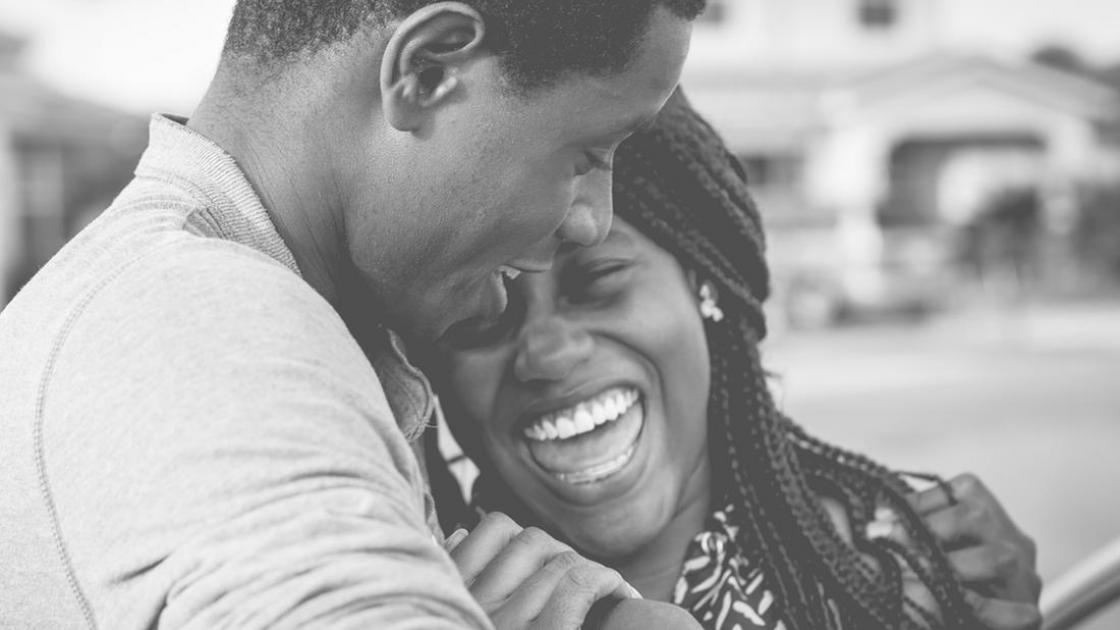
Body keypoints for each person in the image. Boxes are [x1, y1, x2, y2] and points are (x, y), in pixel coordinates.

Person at [0, 1, 705, 628]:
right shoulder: (202, 332)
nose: (591, 220)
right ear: (428, 70)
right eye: (587, 155)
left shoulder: (169, 299)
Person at [424, 90, 1044, 630]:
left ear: (706, 284)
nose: (548, 352)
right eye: (484, 313)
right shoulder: (411, 597)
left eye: (600, 280)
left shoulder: (892, 585)